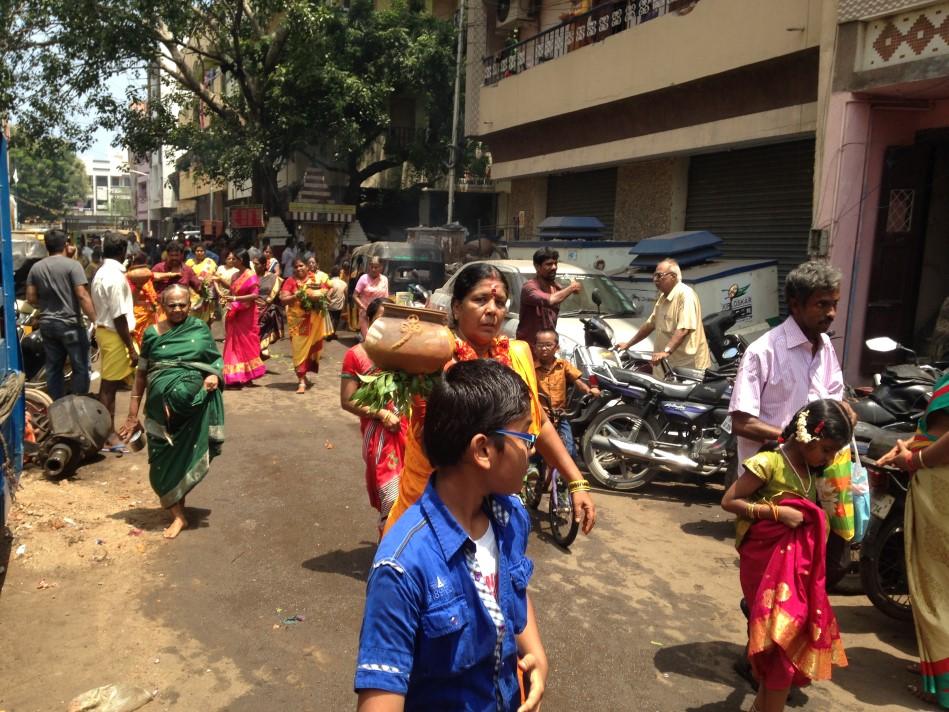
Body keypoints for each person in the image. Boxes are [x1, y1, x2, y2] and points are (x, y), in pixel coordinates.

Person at [355, 359, 547, 711]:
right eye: (525, 435)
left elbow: (514, 589)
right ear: (483, 450)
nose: (532, 449)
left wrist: (535, 653)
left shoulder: (511, 518)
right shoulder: (401, 568)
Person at [383, 263, 596, 536]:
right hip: (433, 502)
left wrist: (576, 480)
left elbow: (538, 422)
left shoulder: (518, 354)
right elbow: (433, 441)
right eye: (480, 300)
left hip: (494, 503)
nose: (492, 310)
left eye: (499, 302)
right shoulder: (434, 356)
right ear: (457, 307)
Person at [721, 400, 852, 712]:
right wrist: (777, 513)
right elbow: (729, 500)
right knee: (780, 647)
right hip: (764, 565)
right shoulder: (769, 462)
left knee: (787, 642)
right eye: (827, 449)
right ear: (806, 437)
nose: (830, 458)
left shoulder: (811, 469)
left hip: (795, 570)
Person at [119, 285, 224, 539]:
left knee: (185, 458)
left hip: (192, 412)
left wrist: (212, 375)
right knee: (159, 467)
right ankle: (177, 511)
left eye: (182, 304)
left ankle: (178, 515)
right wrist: (132, 415)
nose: (177, 309)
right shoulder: (152, 335)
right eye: (172, 305)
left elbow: (215, 360)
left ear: (190, 305)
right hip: (159, 415)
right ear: (162, 307)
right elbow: (141, 374)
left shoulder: (199, 329)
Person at [729, 261, 851, 468]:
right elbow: (742, 423)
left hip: (815, 479)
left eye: (835, 304)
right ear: (796, 305)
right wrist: (796, 439)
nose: (832, 313)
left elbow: (833, 400)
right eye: (822, 304)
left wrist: (845, 411)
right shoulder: (762, 352)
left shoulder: (826, 346)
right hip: (771, 481)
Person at [878, 372, 949, 709]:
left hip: (942, 489)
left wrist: (915, 458)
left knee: (937, 584)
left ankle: (943, 685)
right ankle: (934, 665)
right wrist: (911, 445)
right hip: (935, 484)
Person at [340, 298, 408, 532]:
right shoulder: (356, 355)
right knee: (391, 496)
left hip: (411, 433)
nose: (386, 326)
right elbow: (347, 400)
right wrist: (381, 414)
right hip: (381, 437)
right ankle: (388, 551)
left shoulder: (408, 353)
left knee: (415, 495)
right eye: (380, 319)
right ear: (368, 321)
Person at [25, 229, 97, 399]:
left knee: (53, 367)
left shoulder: (36, 267)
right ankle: (79, 403)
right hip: (71, 325)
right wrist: (97, 319)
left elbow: (30, 298)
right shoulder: (73, 265)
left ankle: (56, 405)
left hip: (47, 325)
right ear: (66, 244)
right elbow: (82, 295)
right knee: (81, 367)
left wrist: (48, 303)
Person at [617, 258, 712, 374]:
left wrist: (666, 351)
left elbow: (683, 329)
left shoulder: (685, 295)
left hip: (688, 367)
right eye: (654, 276)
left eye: (659, 276)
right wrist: (628, 344)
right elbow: (649, 325)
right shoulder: (662, 298)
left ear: (673, 276)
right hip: (666, 365)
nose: (655, 280)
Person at [91, 233, 138, 449]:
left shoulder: (102, 272)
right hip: (115, 335)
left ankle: (113, 430)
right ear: (122, 252)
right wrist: (130, 347)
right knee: (109, 387)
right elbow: (119, 316)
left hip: (106, 331)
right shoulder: (115, 277)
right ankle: (108, 436)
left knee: (112, 384)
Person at [533, 329, 600, 458]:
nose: (544, 349)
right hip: (540, 416)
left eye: (548, 345)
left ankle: (567, 476)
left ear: (557, 348)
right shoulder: (531, 367)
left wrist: (589, 390)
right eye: (540, 345)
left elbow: (577, 380)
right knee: (535, 449)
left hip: (560, 415)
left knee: (569, 451)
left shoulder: (563, 365)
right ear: (535, 348)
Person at [280, 258, 330, 394]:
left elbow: (326, 291)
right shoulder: (290, 281)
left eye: (301, 265)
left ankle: (304, 376)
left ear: (307, 267)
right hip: (298, 323)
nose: (298, 268)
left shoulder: (315, 280)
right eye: (295, 267)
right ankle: (301, 381)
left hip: (314, 321)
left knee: (308, 351)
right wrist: (297, 296)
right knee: (299, 351)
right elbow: (283, 299)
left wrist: (319, 295)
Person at [515, 247, 581, 348]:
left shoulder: (556, 288)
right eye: (549, 264)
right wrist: (571, 288)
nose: (554, 267)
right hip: (529, 348)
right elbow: (551, 300)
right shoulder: (529, 287)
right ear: (537, 266)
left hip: (548, 348)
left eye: (555, 263)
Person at [221, 249, 266, 387]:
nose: (232, 261)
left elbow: (254, 295)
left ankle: (248, 375)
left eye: (234, 259)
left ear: (241, 260)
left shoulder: (250, 275)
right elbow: (232, 290)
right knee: (232, 343)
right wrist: (227, 299)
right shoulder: (234, 275)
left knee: (246, 343)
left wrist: (235, 298)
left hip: (247, 314)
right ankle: (234, 375)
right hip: (234, 313)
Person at [254, 254, 284, 359]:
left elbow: (277, 294)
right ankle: (258, 353)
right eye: (253, 264)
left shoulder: (273, 278)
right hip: (253, 309)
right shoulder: (252, 277)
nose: (254, 266)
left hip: (267, 310)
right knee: (254, 333)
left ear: (263, 265)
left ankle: (260, 351)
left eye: (257, 264)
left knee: (262, 330)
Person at [126, 252, 159, 347]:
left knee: (149, 340)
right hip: (135, 315)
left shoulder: (146, 278)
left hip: (148, 315)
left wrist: (172, 274)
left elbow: (158, 276)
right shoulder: (126, 278)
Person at [353, 257, 389, 339]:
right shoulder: (363, 278)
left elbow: (386, 298)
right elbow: (354, 296)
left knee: (378, 339)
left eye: (376, 267)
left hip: (379, 315)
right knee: (368, 338)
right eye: (371, 266)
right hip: (365, 314)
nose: (373, 269)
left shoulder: (384, 279)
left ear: (381, 267)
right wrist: (363, 307)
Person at [185, 243, 218, 323]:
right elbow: (186, 276)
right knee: (192, 317)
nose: (199, 252)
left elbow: (213, 275)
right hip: (193, 293)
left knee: (207, 318)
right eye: (197, 251)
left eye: (202, 251)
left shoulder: (210, 262)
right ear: (194, 252)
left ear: (205, 252)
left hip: (207, 293)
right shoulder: (189, 262)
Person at [326, 266, 348, 337]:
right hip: (338, 306)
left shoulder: (329, 282)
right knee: (336, 320)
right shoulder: (344, 283)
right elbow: (346, 294)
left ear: (331, 273)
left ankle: (328, 333)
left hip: (329, 305)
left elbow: (326, 294)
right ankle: (333, 334)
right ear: (339, 274)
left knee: (329, 320)